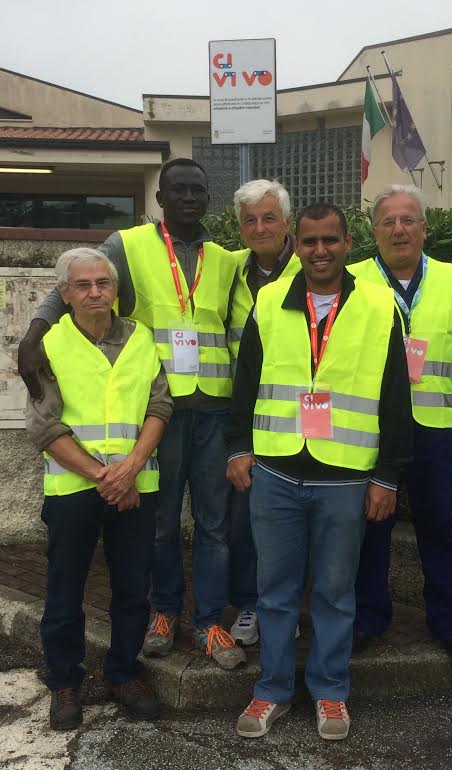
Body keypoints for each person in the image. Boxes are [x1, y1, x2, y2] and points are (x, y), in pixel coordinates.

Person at [18, 158, 246, 670]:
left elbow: (241, 331)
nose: (188, 198)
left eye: (197, 189)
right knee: (161, 525)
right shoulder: (126, 244)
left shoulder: (227, 260)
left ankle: (209, 621)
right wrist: (33, 333)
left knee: (213, 525)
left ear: (208, 198)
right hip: (158, 411)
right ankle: (163, 613)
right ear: (159, 199)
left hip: (212, 409)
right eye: (177, 190)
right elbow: (75, 283)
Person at [226, 203, 412, 740]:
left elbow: (396, 395)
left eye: (330, 240)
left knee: (334, 592)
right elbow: (247, 382)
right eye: (309, 241)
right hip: (276, 473)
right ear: (297, 244)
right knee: (275, 592)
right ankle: (272, 691)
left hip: (347, 477)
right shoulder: (268, 301)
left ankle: (330, 691)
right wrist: (239, 446)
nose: (320, 250)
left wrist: (386, 475)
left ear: (348, 242)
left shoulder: (379, 305)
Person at [25, 247, 172, 730]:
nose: (95, 293)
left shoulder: (141, 339)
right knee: (65, 591)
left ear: (114, 289)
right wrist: (107, 477)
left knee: (132, 589)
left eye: (103, 284)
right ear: (64, 294)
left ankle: (123, 674)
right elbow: (45, 427)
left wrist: (129, 469)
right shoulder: (50, 344)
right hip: (75, 492)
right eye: (83, 285)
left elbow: (159, 407)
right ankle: (65, 681)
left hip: (134, 486)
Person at [349, 184, 452, 662]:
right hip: (373, 426)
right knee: (371, 525)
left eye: (408, 220)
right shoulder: (354, 278)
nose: (399, 230)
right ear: (374, 231)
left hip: (434, 425)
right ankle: (368, 619)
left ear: (424, 228)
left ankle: (448, 621)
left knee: (439, 524)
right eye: (388, 221)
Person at [227, 179, 301, 646]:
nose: (260, 227)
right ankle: (251, 604)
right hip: (244, 415)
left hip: (301, 418)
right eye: (250, 220)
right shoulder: (227, 269)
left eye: (269, 217)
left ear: (287, 223)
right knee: (244, 518)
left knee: (297, 522)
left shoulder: (316, 267)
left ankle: (291, 608)